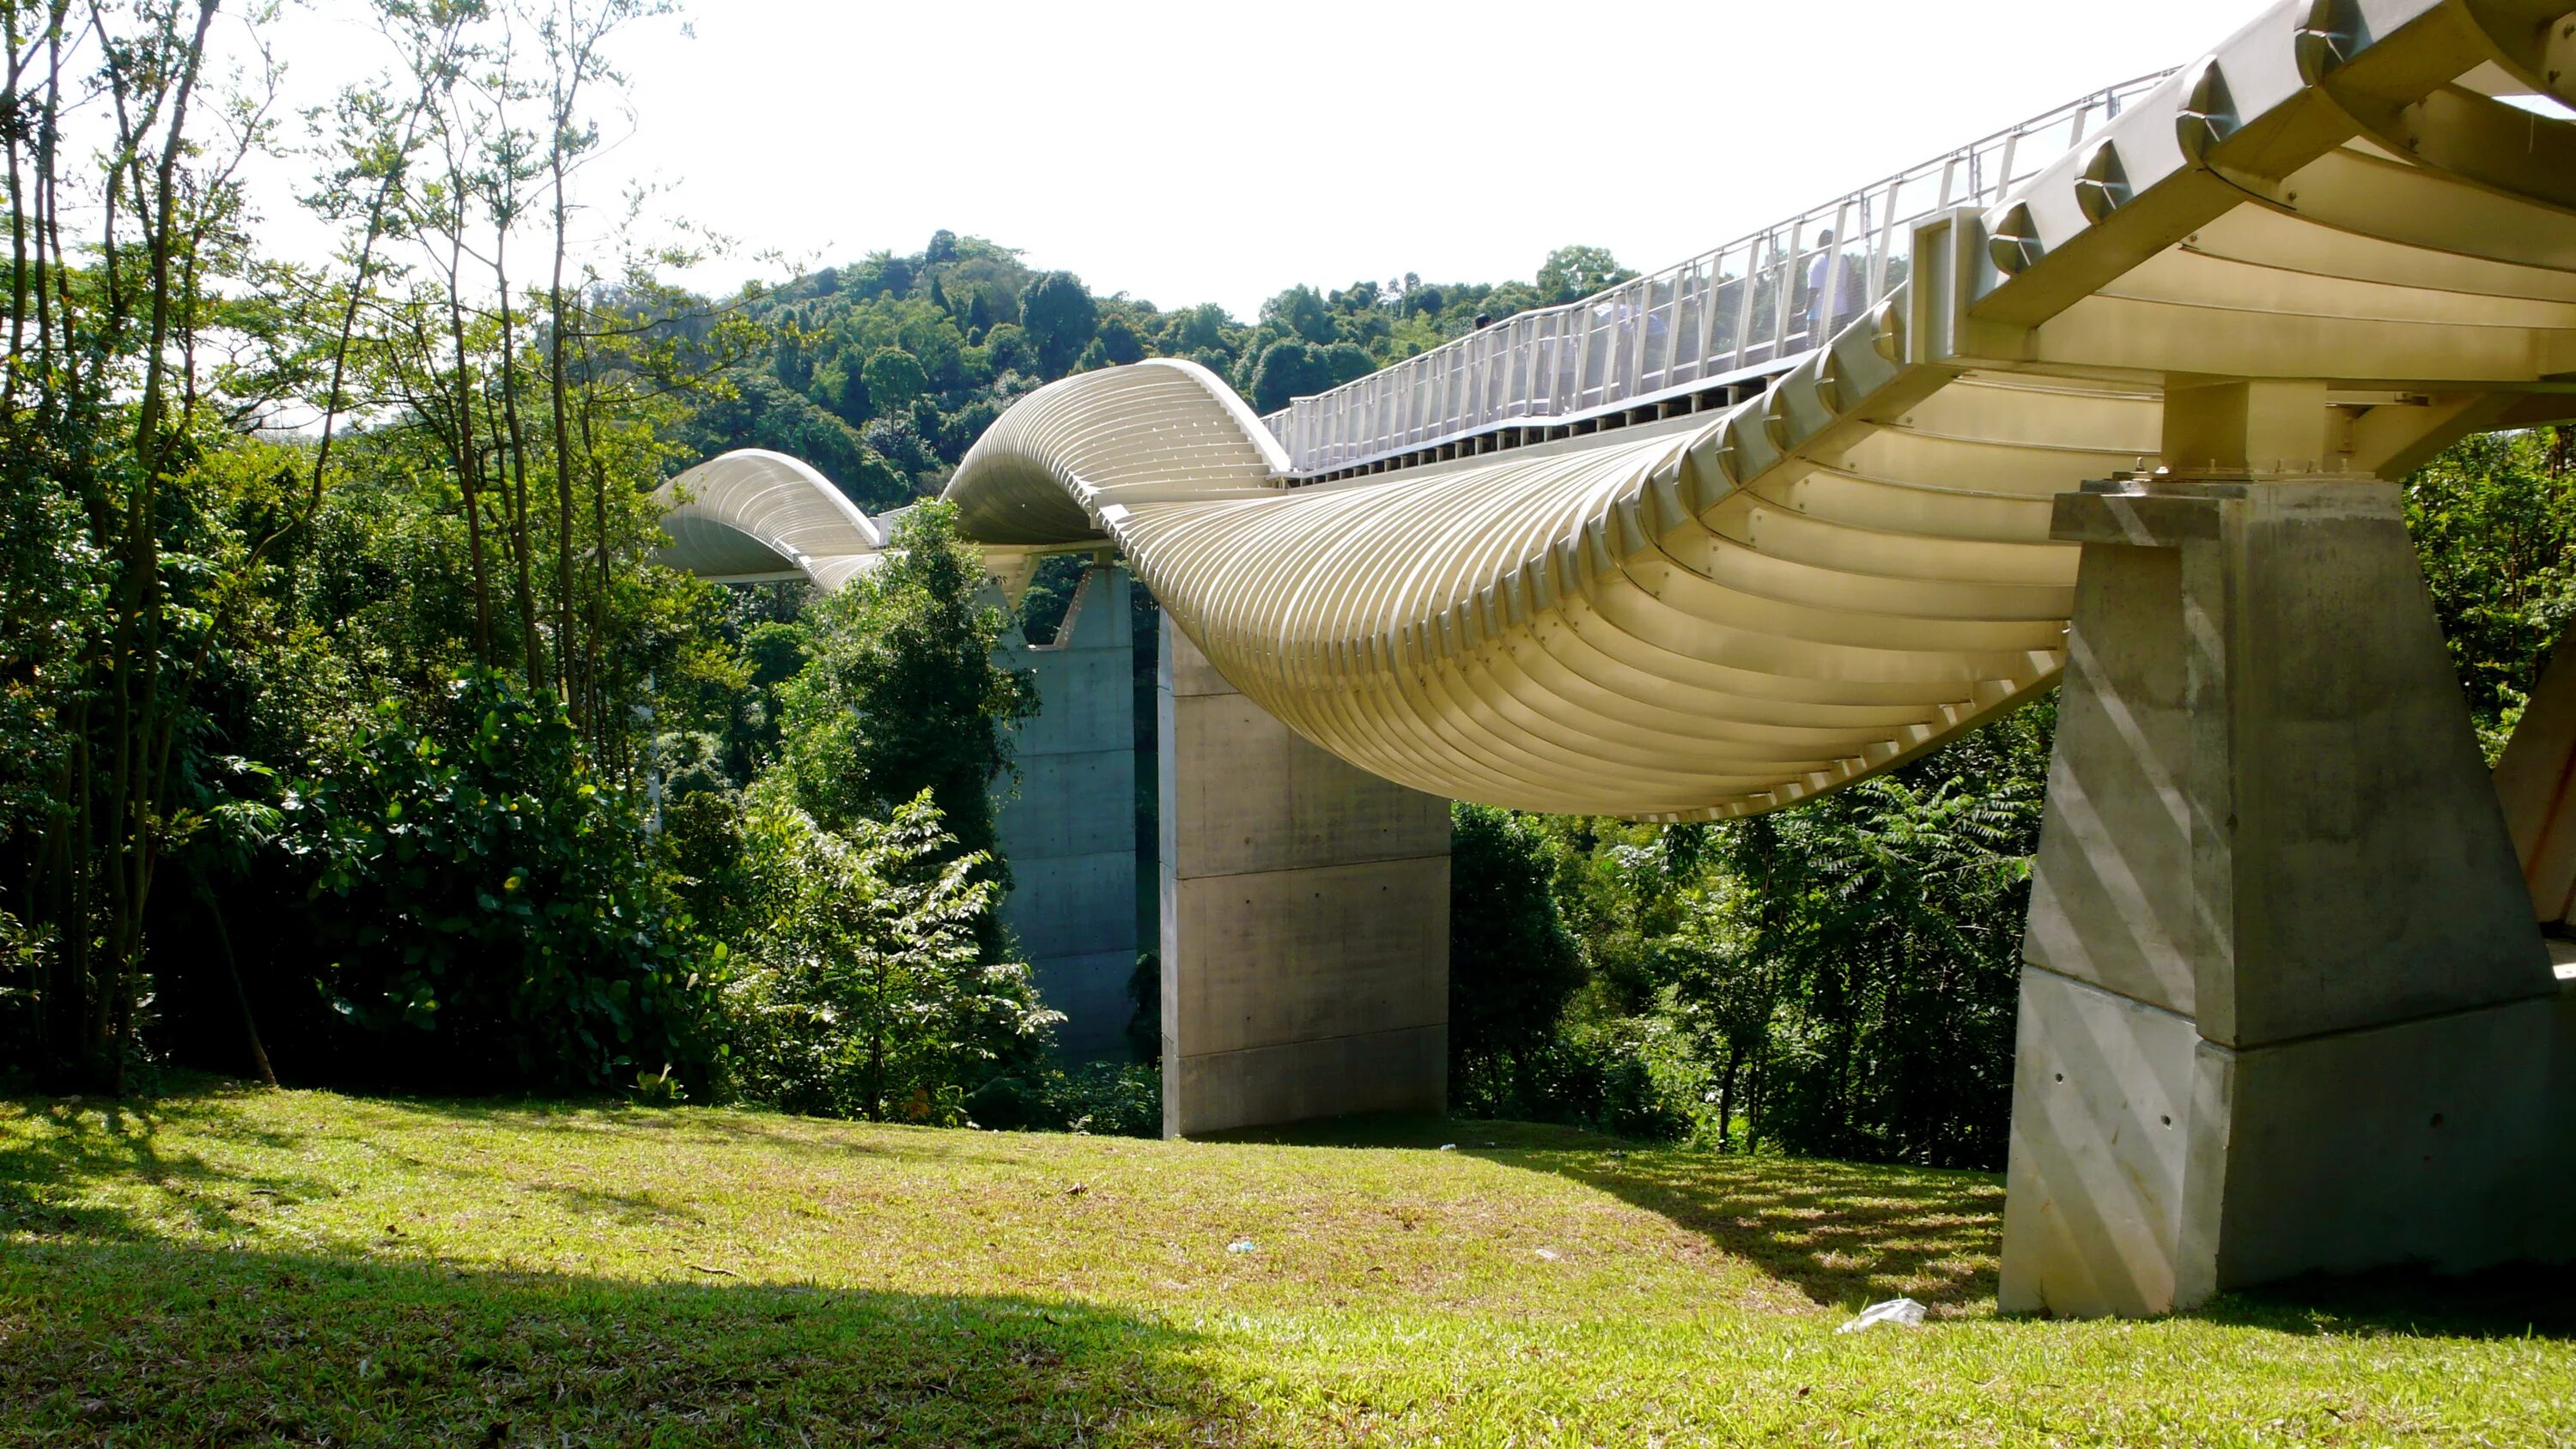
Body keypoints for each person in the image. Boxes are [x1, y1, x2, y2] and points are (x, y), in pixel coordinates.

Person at [1804, 229, 1867, 346]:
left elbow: (1813, 291)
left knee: (1817, 348)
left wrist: (1804, 311)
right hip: (1842, 309)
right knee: (1840, 346)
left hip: (1821, 314)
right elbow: (1851, 284)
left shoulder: (1817, 263)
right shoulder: (1843, 260)